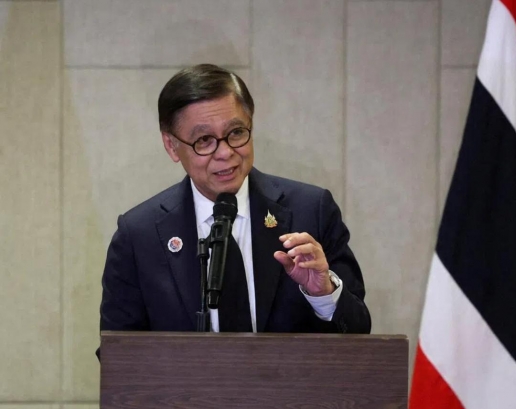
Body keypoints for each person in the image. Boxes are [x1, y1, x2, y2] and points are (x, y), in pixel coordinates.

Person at [99, 64, 370, 337]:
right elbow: (117, 351)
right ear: (172, 146)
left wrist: (324, 293)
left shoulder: (311, 211)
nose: (225, 152)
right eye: (204, 140)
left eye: (237, 132)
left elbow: (359, 332)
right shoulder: (139, 235)